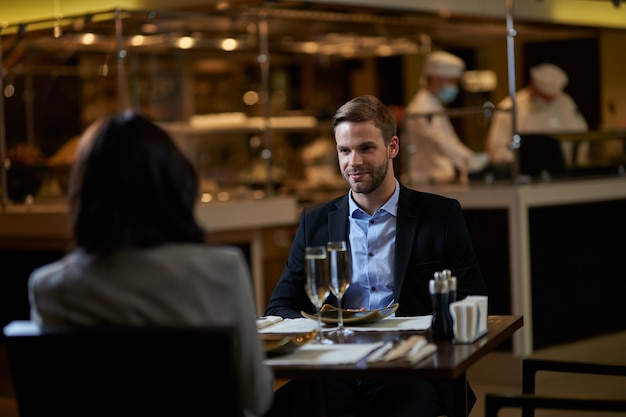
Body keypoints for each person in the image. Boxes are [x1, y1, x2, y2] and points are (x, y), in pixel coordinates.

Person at [27, 111, 274, 417]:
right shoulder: (222, 270)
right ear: (175, 184)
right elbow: (255, 398)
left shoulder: (50, 287)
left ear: (84, 191)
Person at [264, 95, 488, 417]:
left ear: (392, 147)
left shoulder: (440, 214)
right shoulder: (314, 221)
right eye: (344, 150)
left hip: (411, 370)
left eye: (366, 148)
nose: (353, 161)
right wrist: (328, 329)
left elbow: (472, 296)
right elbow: (280, 306)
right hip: (335, 371)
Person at [404, 50, 485, 185]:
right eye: (451, 82)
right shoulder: (421, 109)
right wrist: (471, 162)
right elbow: (443, 143)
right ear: (435, 78)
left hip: (438, 182)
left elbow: (451, 141)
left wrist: (472, 158)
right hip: (425, 183)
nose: (454, 87)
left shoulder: (435, 106)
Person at [486, 63, 588, 166]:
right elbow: (498, 147)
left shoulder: (566, 103)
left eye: (551, 99)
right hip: (525, 173)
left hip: (563, 172)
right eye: (544, 97)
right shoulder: (510, 107)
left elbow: (581, 137)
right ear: (533, 88)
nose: (548, 102)